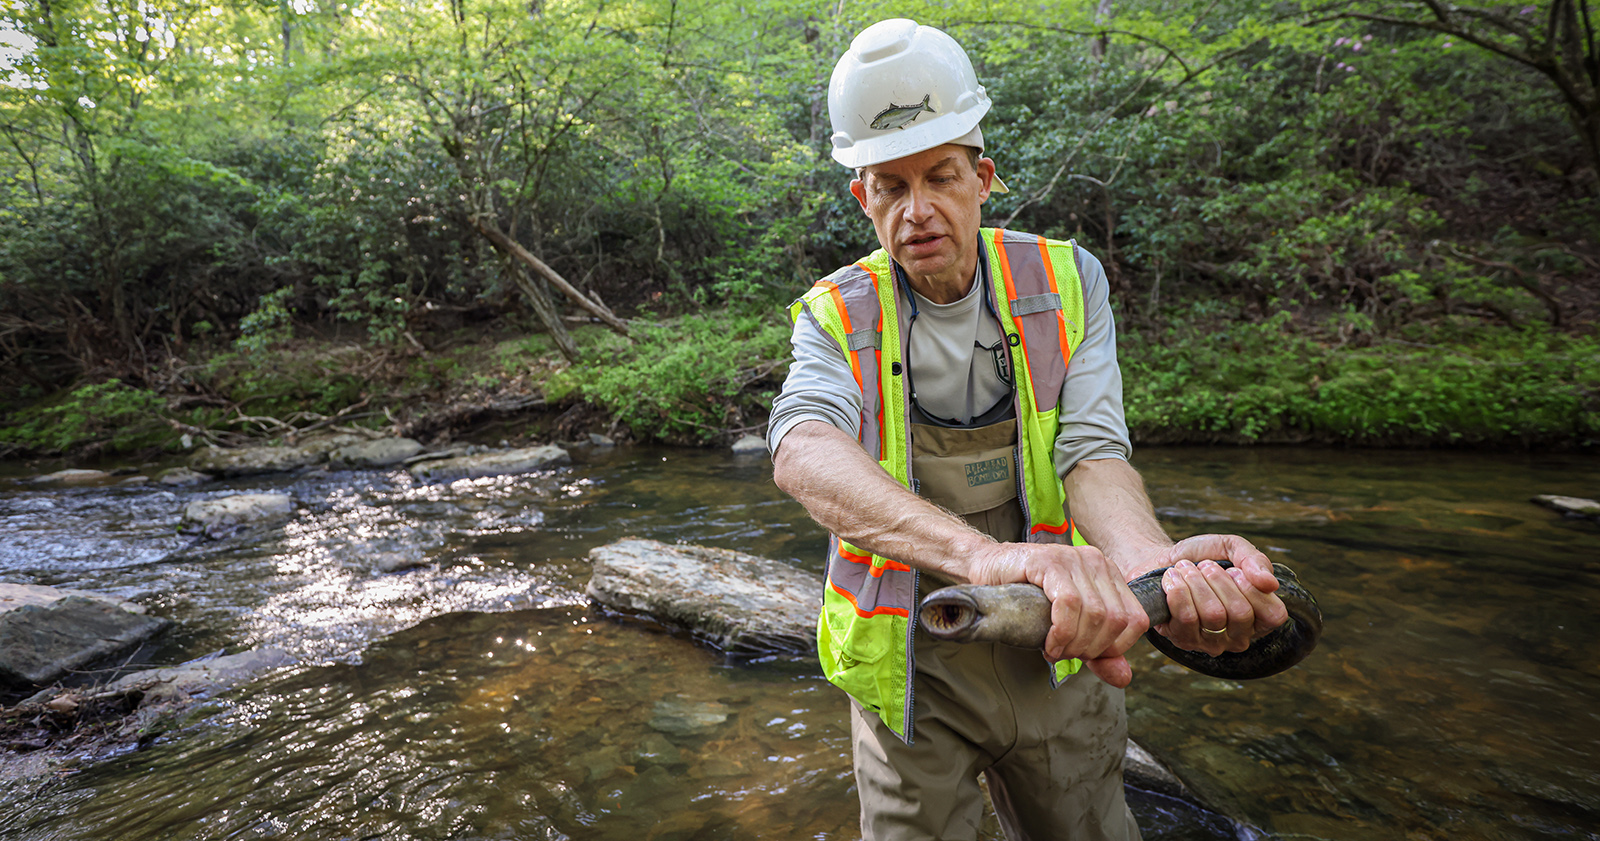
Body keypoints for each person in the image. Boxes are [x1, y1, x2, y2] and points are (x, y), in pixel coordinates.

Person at [767, 19, 1290, 841]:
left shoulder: (1068, 280)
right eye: (891, 187)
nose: (918, 209)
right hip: (908, 674)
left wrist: (1149, 564)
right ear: (862, 197)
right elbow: (802, 450)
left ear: (984, 177)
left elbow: (1092, 454)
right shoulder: (835, 316)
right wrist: (988, 557)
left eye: (940, 177)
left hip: (1063, 650)